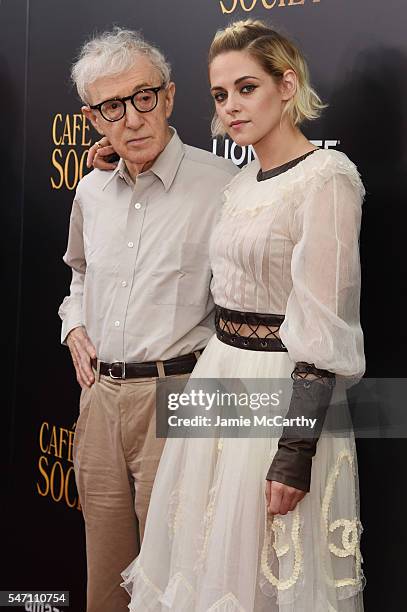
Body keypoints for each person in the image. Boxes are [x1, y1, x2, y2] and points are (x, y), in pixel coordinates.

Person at [114, 19, 366, 611]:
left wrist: (295, 450)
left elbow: (324, 324)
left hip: (282, 397)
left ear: (287, 84)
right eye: (220, 95)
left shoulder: (328, 180)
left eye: (246, 88)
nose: (231, 107)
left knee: (268, 579)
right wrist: (116, 155)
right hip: (219, 381)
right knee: (206, 568)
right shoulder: (241, 179)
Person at [58, 27, 237, 612]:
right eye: (112, 106)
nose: (131, 119)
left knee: (178, 575)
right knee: (106, 581)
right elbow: (78, 276)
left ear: (168, 97)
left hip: (183, 394)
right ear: (93, 117)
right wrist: (73, 324)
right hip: (100, 398)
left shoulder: (226, 186)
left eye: (142, 98)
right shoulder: (89, 191)